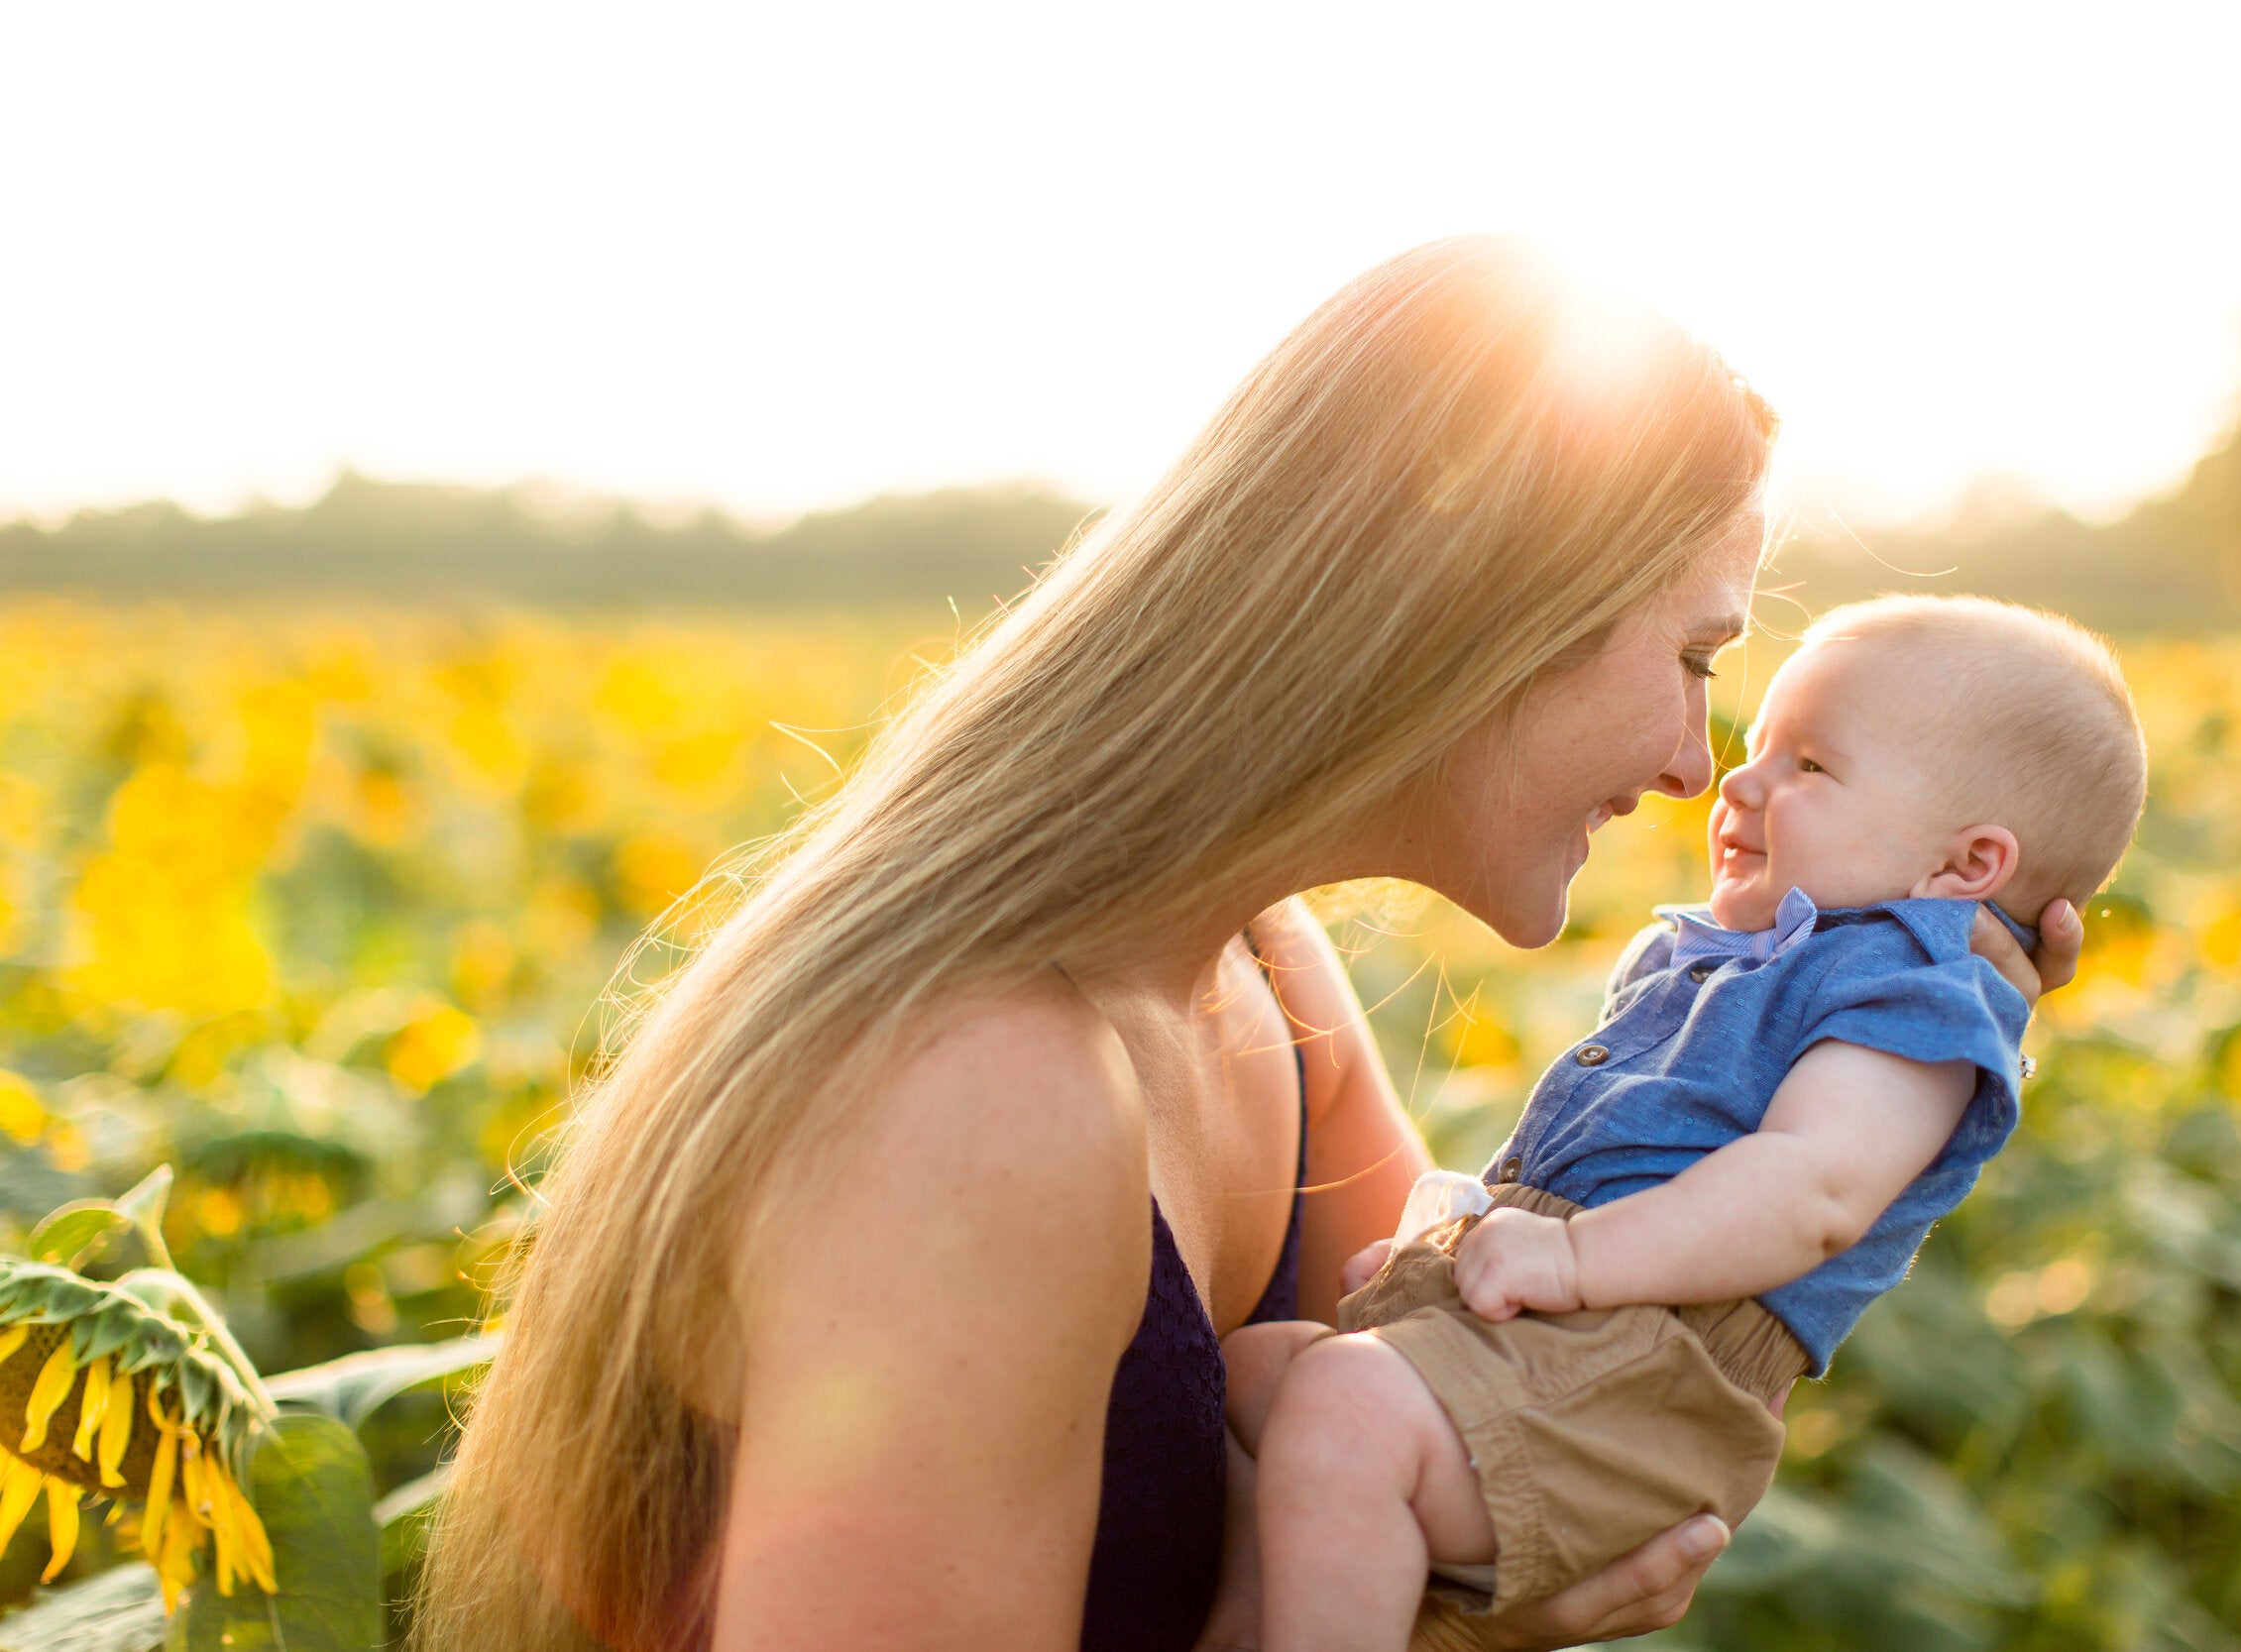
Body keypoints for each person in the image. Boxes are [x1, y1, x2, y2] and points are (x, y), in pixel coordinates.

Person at [412, 239, 2081, 1652]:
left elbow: (1493, 1393)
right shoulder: (982, 1095)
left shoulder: (1265, 987)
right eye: (1698, 657)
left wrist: (1913, 980)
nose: (1691, 762)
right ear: (1478, 610)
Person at [1236, 597, 2144, 1651]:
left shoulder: (1915, 1001)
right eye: (1758, 748)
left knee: (1344, 1407)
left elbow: (1813, 1188)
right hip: (1557, 1317)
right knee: (1261, 1369)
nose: (1736, 781)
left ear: (1966, 867)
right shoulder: (1752, 951)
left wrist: (1573, 1255)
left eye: (1808, 765)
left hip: (1646, 1353)